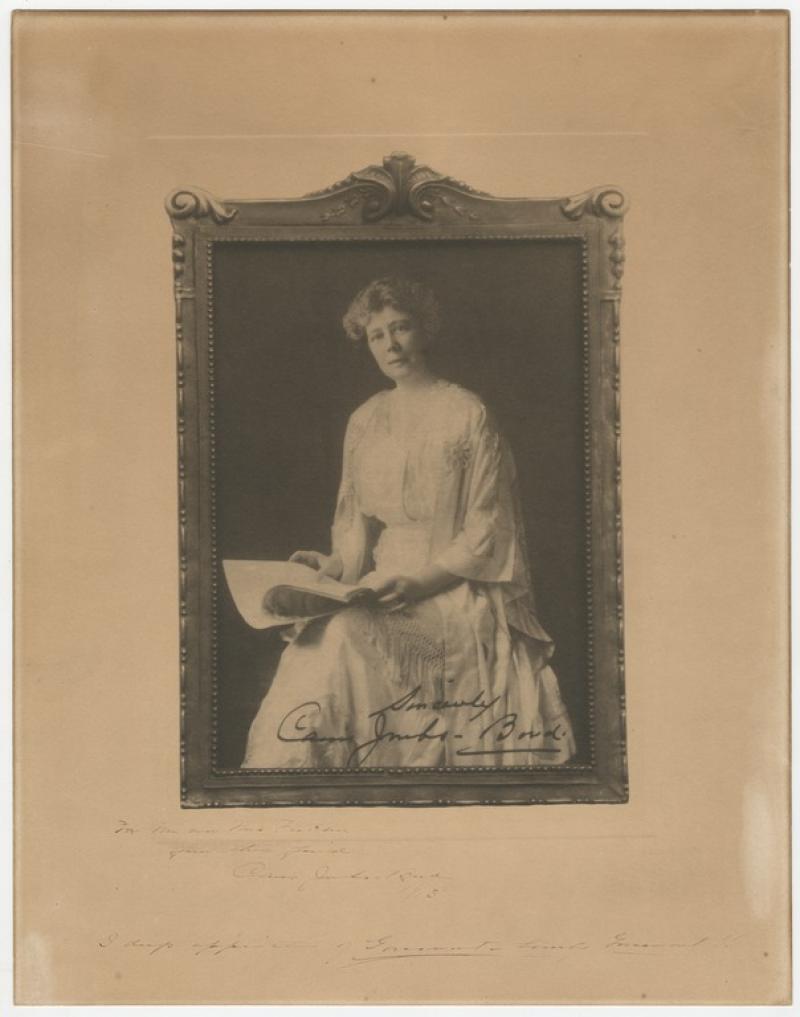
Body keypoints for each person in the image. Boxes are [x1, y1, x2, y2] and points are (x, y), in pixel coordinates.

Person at [242, 277, 575, 769]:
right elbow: (356, 526)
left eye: (401, 328)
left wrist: (420, 582)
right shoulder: (365, 419)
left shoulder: (467, 412)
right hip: (381, 582)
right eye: (377, 335)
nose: (391, 344)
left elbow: (486, 529)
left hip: (454, 586)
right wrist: (331, 565)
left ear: (425, 331)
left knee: (344, 635)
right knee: (323, 637)